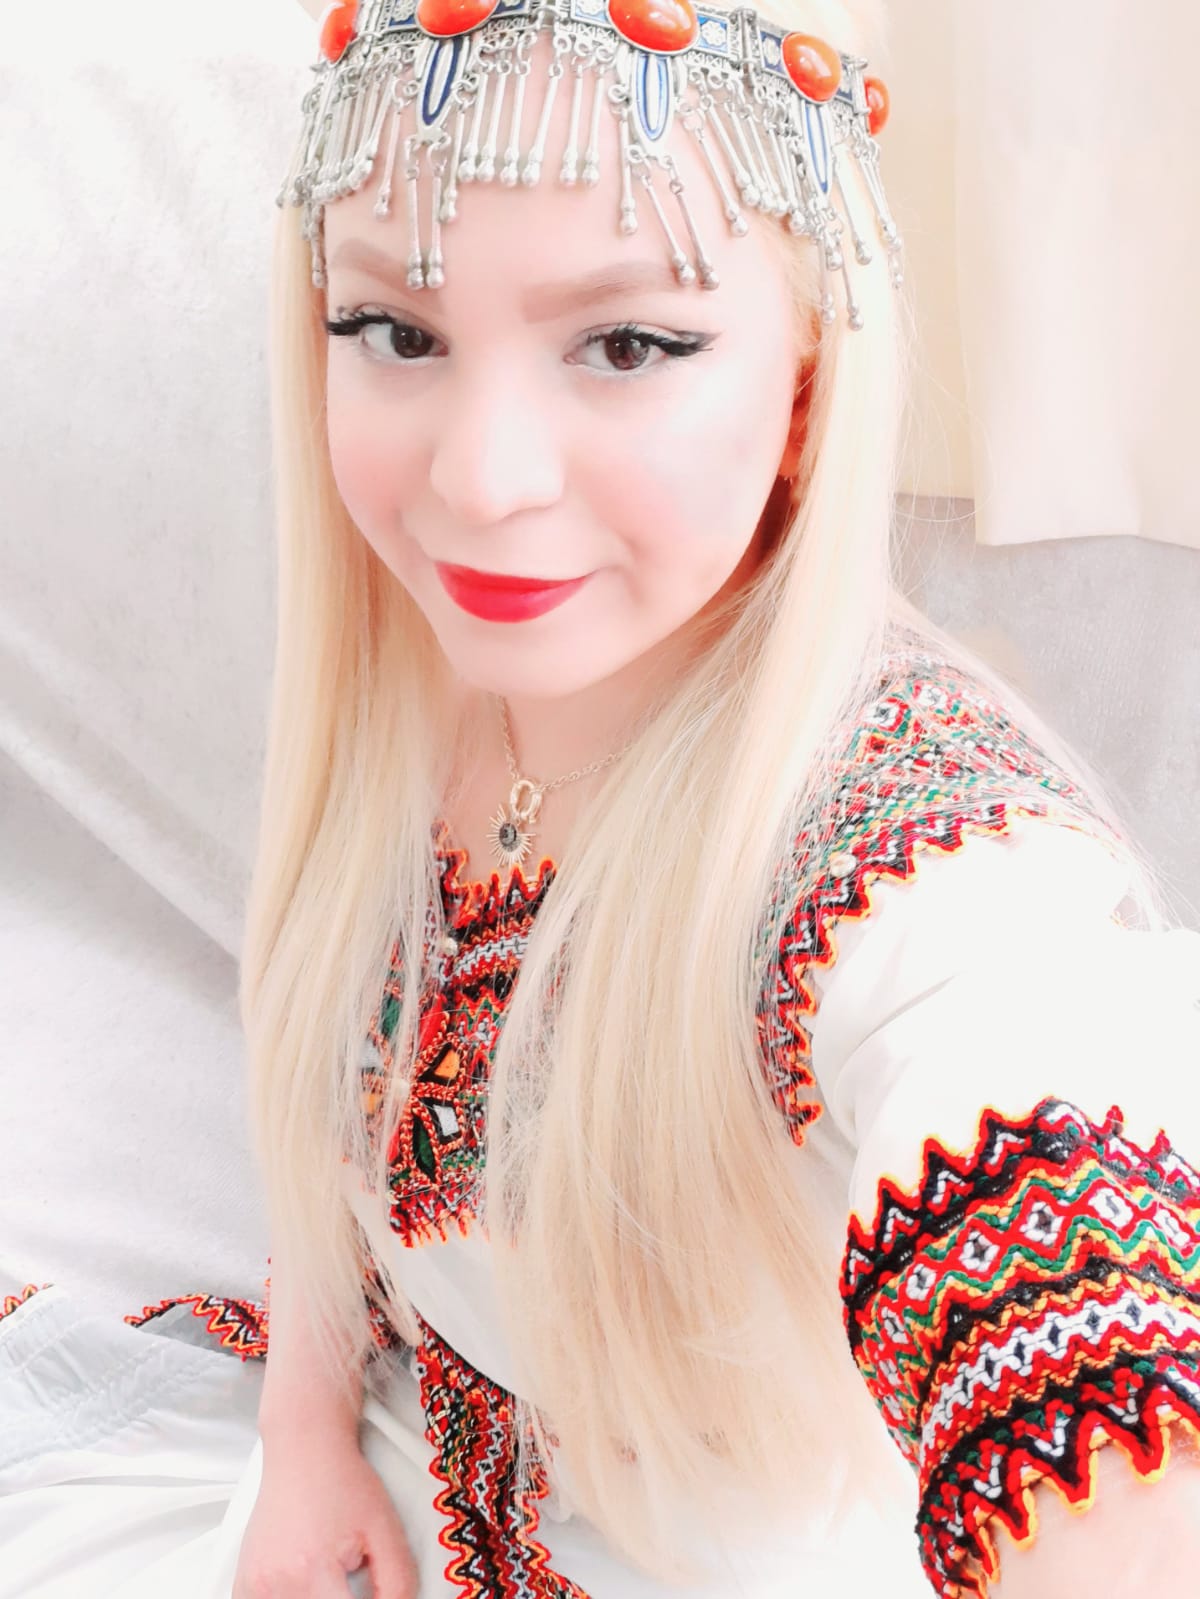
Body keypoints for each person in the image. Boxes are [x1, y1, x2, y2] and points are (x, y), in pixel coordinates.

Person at [2, 0, 1199, 1596]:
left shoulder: (909, 854)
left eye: (628, 345)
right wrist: (302, 1441)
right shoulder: (437, 682)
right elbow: (340, 1134)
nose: (483, 481)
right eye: (396, 332)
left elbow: (1059, 1251)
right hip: (402, 1485)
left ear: (803, 392)